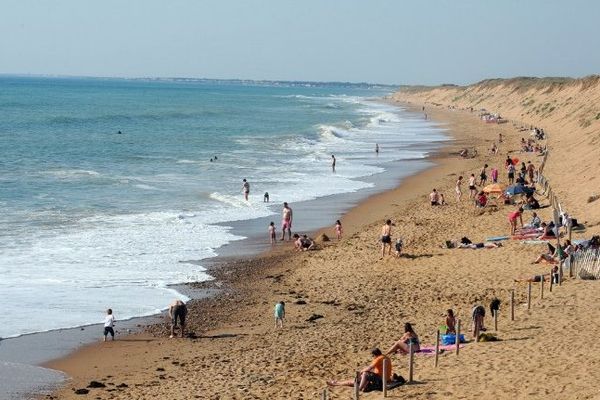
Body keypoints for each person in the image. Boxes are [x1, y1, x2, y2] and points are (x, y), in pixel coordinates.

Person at [327, 348, 392, 392]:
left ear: (374, 354)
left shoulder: (378, 359)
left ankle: (359, 388)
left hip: (380, 379)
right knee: (354, 381)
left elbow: (369, 367)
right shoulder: (386, 357)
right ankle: (337, 383)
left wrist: (361, 372)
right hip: (384, 378)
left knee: (364, 374)